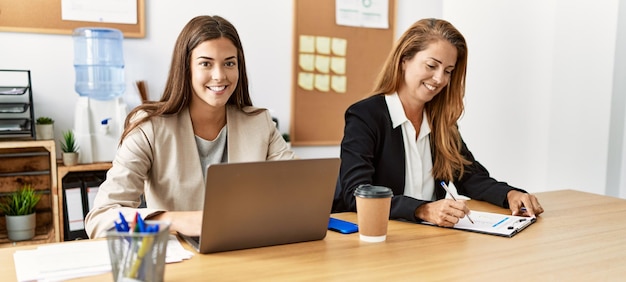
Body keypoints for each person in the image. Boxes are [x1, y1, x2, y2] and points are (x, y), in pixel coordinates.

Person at [85, 15, 295, 238]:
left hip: (246, 252)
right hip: (180, 260)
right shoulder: (149, 127)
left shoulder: (260, 123)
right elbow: (101, 218)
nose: (220, 75)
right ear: (186, 68)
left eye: (229, 63)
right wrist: (176, 221)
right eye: (206, 63)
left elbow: (301, 192)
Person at [333, 18, 543, 227]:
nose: (439, 79)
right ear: (405, 59)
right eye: (432, 65)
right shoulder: (365, 116)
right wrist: (422, 209)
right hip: (383, 239)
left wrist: (510, 194)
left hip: (431, 240)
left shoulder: (441, 121)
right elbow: (356, 194)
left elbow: (469, 176)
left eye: (448, 71)